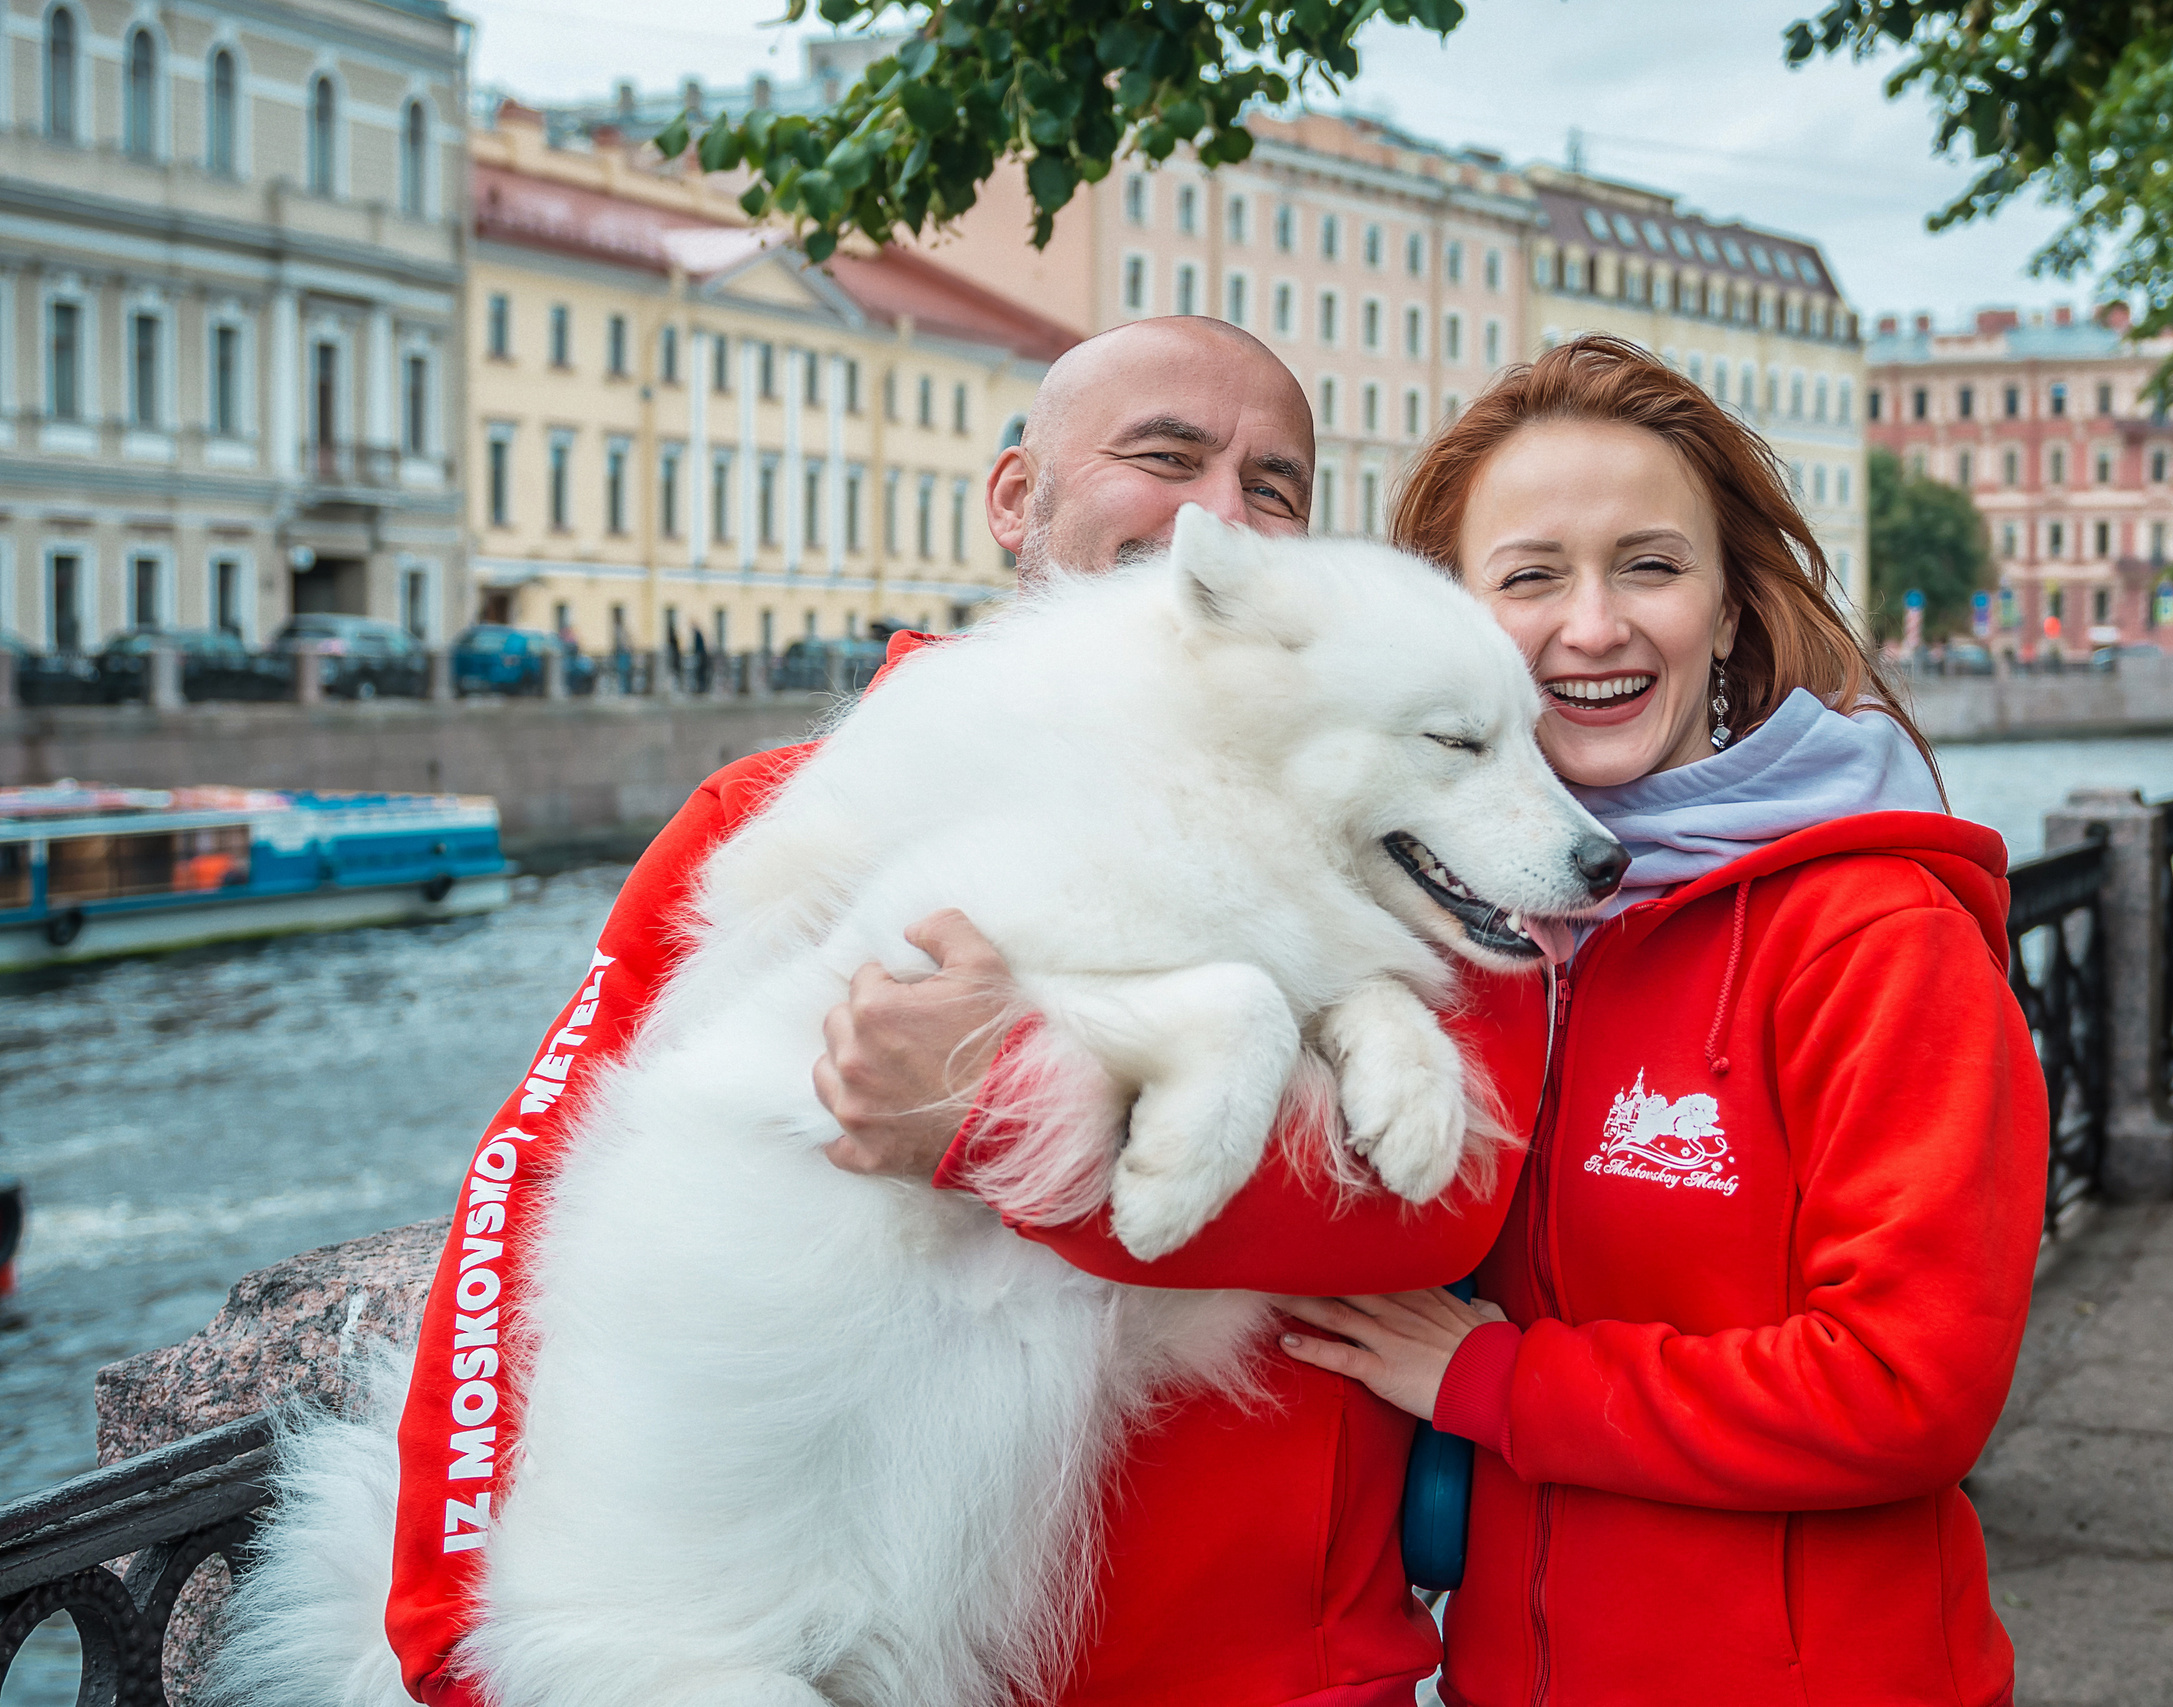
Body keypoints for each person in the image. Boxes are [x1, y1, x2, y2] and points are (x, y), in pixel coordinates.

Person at [385, 317, 1542, 1707]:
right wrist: (451, 1626)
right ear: (1016, 498)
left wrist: (987, 1108)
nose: (1221, 513)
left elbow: (1435, 1208)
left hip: (1267, 1672)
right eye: (1163, 456)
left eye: (1276, 488)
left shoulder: (1410, 842)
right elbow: (535, 1193)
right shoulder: (765, 810)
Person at [1271, 336, 2047, 1706]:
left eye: (1650, 564)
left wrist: (1501, 1383)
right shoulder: (1465, 928)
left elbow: (1906, 1390)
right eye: (1529, 576)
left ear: (1731, 610)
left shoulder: (1873, 930)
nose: (1593, 625)